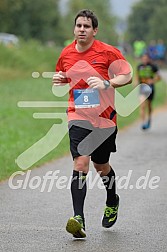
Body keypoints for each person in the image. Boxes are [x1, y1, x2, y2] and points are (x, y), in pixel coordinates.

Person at [52, 9, 132, 238]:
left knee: (101, 166)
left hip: (105, 119)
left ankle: (112, 199)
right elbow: (63, 74)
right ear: (74, 29)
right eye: (79, 26)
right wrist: (60, 79)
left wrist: (108, 83)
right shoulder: (67, 53)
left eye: (87, 27)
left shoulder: (107, 52)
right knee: (81, 163)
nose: (82, 30)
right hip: (78, 115)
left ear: (95, 30)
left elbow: (127, 75)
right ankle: (79, 218)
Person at [136, 53, 161, 130]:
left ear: (149, 59)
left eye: (146, 59)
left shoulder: (153, 67)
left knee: (149, 105)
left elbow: (159, 77)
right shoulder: (139, 66)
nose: (145, 60)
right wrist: (136, 82)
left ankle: (149, 119)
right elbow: (137, 76)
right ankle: (143, 123)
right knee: (142, 106)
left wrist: (152, 80)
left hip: (150, 88)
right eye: (143, 59)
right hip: (142, 88)